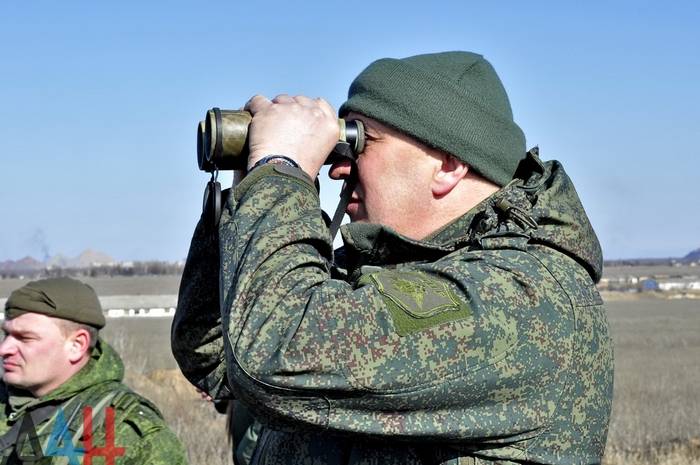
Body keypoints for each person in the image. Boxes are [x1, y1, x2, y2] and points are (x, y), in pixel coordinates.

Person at [172, 51, 613, 464]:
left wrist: (281, 176)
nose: (337, 167)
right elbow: (213, 355)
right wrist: (252, 189)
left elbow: (274, 355)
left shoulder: (527, 300)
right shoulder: (372, 280)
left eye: (361, 143)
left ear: (447, 165)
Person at [0, 277, 188, 464]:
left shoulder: (131, 432)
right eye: (6, 334)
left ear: (77, 345)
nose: (4, 349)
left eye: (25, 338)